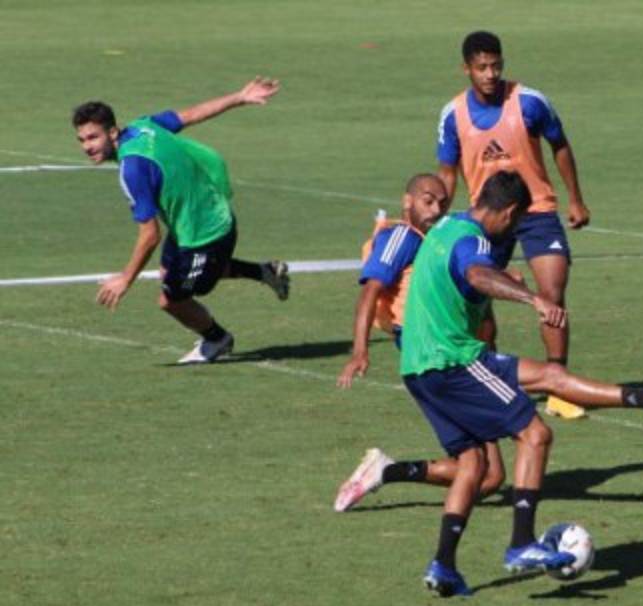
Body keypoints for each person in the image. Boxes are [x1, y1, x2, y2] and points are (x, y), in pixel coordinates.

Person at [368, 170, 643, 597]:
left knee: (477, 459)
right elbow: (477, 274)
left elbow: (470, 276)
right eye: (517, 221)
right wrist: (533, 298)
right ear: (508, 212)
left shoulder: (449, 225)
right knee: (536, 434)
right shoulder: (473, 241)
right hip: (452, 361)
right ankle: (521, 542)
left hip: (419, 365)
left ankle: (443, 566)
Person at [72, 77, 290, 364]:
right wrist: (238, 97)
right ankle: (265, 272)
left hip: (207, 234)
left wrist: (126, 279)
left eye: (93, 138)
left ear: (112, 132)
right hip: (191, 222)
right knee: (170, 273)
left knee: (171, 301)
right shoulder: (143, 126)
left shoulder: (132, 169)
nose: (87, 147)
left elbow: (150, 235)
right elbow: (190, 115)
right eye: (82, 140)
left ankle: (217, 339)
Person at [437, 30, 591, 420]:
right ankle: (488, 381)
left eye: (496, 65)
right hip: (488, 219)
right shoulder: (453, 114)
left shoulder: (529, 101)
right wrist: (439, 217)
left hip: (537, 210)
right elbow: (447, 173)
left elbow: (560, 145)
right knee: (478, 302)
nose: (490, 74)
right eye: (482, 67)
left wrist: (575, 198)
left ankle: (559, 386)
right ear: (466, 69)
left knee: (552, 293)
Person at [333, 174, 507, 510]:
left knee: (490, 477)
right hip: (435, 356)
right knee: (482, 470)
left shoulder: (440, 239)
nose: (436, 210)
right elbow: (370, 291)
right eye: (428, 201)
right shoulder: (403, 237)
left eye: (443, 203)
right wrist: (360, 351)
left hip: (457, 350)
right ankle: (388, 473)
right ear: (407, 201)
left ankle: (385, 471)